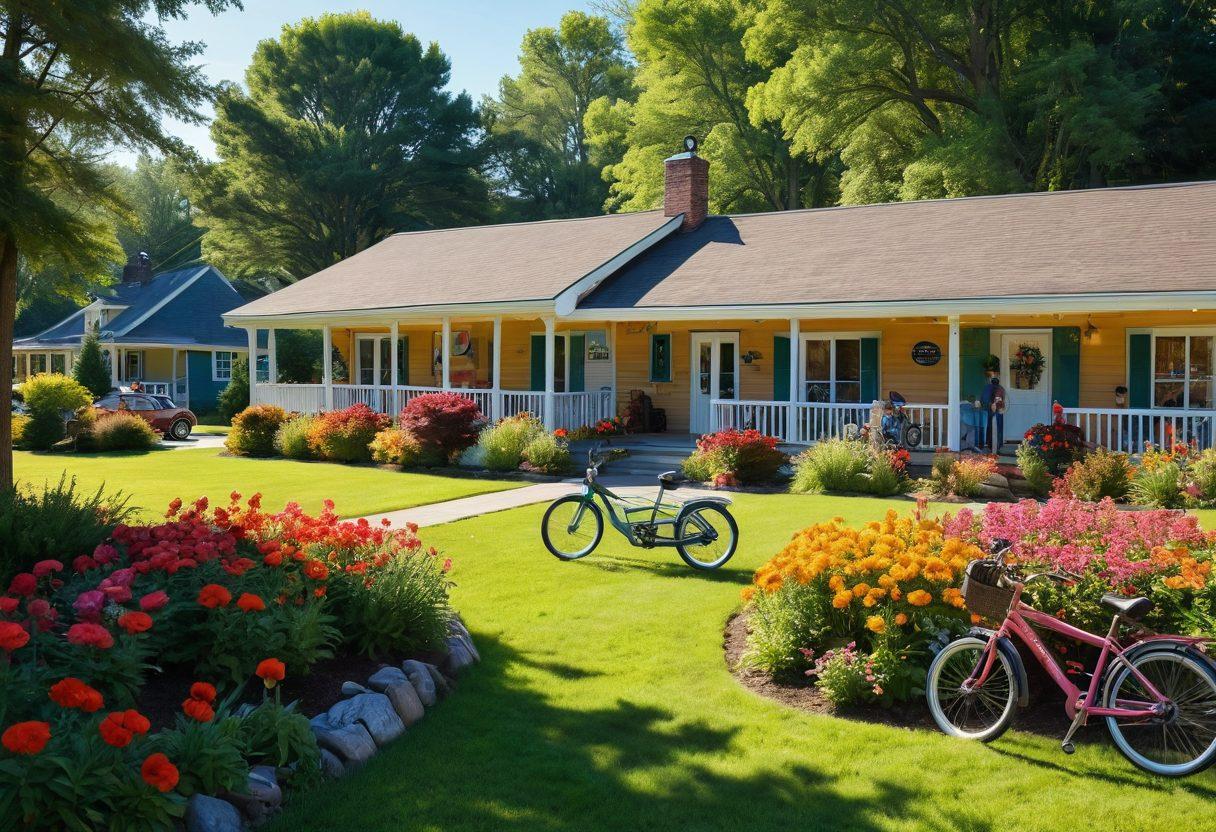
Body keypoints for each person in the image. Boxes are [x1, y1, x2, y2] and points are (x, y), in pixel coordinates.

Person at [985, 377, 1006, 452]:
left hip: (989, 411)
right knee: (998, 428)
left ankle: (990, 445)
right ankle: (997, 446)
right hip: (997, 411)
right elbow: (999, 401)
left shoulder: (987, 388)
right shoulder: (1000, 389)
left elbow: (983, 399)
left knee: (990, 428)